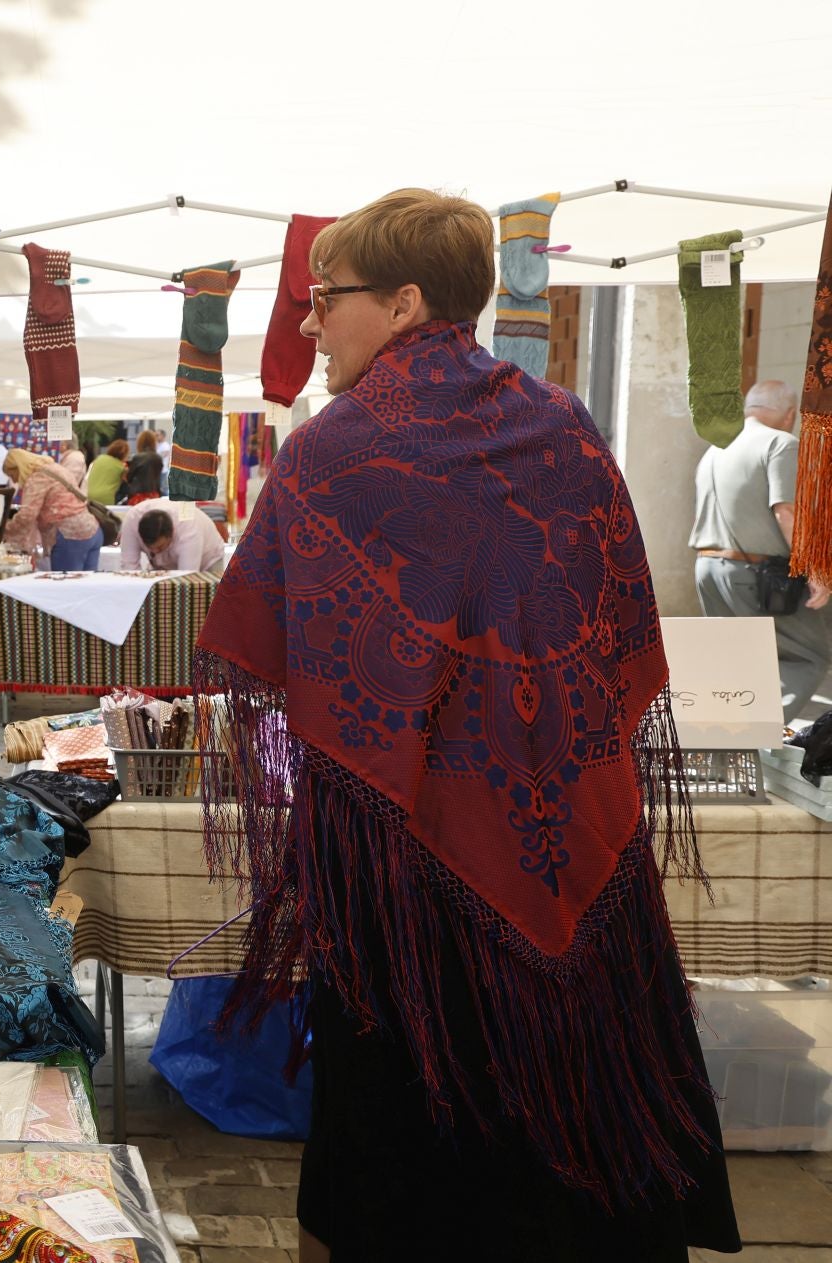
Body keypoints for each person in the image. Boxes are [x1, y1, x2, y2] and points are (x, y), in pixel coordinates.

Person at [195, 189, 737, 1261]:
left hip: (399, 875)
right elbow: (619, 636)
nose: (310, 325)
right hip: (570, 827)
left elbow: (268, 649)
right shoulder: (565, 429)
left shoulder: (329, 458)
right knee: (580, 1111)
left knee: (401, 1138)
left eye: (325, 299)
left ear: (402, 304)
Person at [690, 380, 831, 720]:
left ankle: (722, 750)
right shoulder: (781, 443)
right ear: (788, 415)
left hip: (708, 569)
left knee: (735, 662)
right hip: (756, 575)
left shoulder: (717, 448)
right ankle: (755, 731)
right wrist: (815, 568)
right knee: (807, 655)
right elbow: (787, 512)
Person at [1, 449, 101, 572]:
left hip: (69, 535)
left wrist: (5, 530)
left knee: (65, 588)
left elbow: (27, 516)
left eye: (12, 475)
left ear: (18, 467)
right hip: (91, 529)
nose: (15, 481)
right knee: (87, 587)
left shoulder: (37, 478)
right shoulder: (56, 469)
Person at [119, 502, 225, 572]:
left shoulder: (188, 530)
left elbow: (187, 578)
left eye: (160, 547)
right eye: (149, 549)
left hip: (208, 559)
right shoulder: (131, 522)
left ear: (172, 533)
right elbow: (129, 567)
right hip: (162, 567)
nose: (155, 552)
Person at [119, 430, 164, 504]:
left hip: (138, 496)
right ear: (153, 442)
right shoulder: (158, 458)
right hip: (155, 495)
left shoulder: (137, 457)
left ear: (140, 443)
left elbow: (129, 478)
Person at [86, 438, 128, 505]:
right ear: (124, 455)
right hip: (107, 499)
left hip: (89, 496)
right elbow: (127, 481)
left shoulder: (99, 458)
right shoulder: (121, 467)